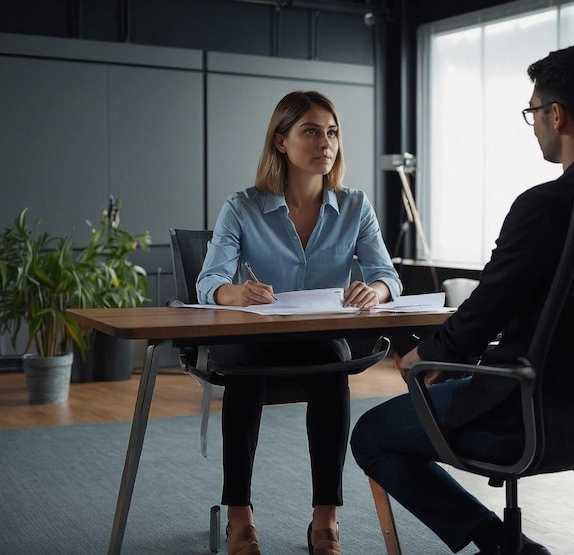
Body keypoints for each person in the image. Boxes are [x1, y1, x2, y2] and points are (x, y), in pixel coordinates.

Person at [350, 45, 574, 555]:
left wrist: (426, 358)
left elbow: (486, 308)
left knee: (371, 434)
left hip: (524, 410)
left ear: (556, 115)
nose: (533, 123)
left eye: (533, 111)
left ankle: (497, 543)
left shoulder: (543, 204)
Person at [196, 90, 402, 555]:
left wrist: (377, 290)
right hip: (253, 340)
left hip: (317, 341)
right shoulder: (242, 206)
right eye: (310, 131)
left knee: (332, 369)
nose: (324, 142)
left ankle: (325, 521)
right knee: (245, 373)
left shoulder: (355, 206)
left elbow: (387, 276)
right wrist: (235, 292)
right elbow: (209, 281)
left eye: (331, 132)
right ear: (281, 142)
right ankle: (239, 517)